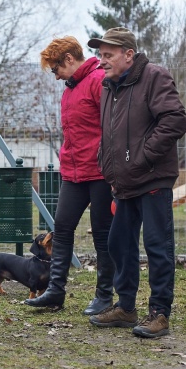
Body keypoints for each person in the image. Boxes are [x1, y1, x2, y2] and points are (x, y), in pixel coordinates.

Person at [86, 27, 186, 338]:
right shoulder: (108, 87)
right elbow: (109, 134)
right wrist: (109, 164)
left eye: (108, 55)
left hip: (152, 178)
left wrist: (140, 158)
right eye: (100, 54)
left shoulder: (154, 76)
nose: (102, 60)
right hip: (124, 182)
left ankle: (159, 313)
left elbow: (175, 120)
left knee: (157, 246)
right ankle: (126, 307)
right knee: (119, 244)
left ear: (128, 55)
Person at [24, 36, 115, 315]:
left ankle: (104, 296)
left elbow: (113, 125)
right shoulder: (70, 89)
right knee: (62, 229)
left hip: (99, 173)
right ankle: (55, 291)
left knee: (103, 235)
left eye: (55, 69)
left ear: (68, 60)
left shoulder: (99, 81)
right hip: (73, 174)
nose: (55, 76)